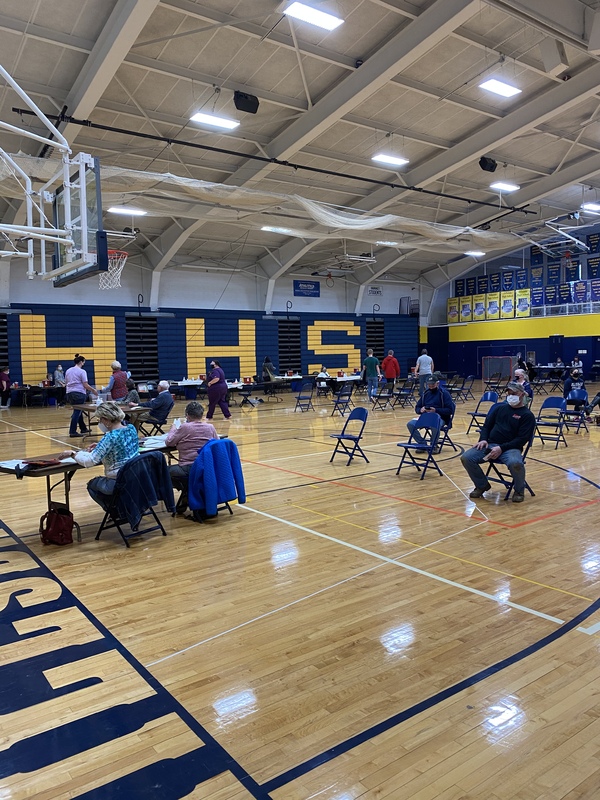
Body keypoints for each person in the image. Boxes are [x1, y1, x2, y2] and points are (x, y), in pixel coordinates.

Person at [460, 382, 536, 503]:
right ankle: (482, 485)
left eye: (514, 393)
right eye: (509, 393)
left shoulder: (527, 416)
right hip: (489, 444)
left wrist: (501, 448)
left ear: (521, 394)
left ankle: (519, 490)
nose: (510, 396)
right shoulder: (499, 408)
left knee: (516, 463)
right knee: (467, 458)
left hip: (511, 448)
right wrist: (483, 439)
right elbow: (486, 426)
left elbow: (521, 439)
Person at [58, 401, 139, 509]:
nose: (99, 422)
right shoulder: (131, 428)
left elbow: (89, 461)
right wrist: (101, 445)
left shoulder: (110, 437)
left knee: (92, 484)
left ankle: (116, 510)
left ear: (106, 420)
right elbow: (122, 445)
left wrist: (73, 454)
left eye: (100, 419)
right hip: (137, 476)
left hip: (119, 480)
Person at [165, 401, 218, 513]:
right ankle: (188, 493)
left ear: (187, 415)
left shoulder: (185, 427)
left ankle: (186, 491)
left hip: (188, 468)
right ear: (202, 414)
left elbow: (169, 442)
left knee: (161, 471)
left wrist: (173, 429)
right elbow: (216, 445)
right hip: (207, 467)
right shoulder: (210, 427)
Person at [407, 372, 454, 453]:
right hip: (426, 417)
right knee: (410, 424)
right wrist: (420, 410)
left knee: (434, 424)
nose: (431, 386)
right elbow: (417, 407)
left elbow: (450, 410)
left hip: (440, 417)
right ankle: (422, 444)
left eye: (433, 384)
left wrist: (436, 410)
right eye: (429, 385)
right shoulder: (426, 393)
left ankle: (434, 445)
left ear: (438, 383)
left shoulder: (444, 394)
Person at [65, 354, 98, 438]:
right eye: (83, 362)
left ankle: (83, 428)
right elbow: (85, 384)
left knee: (79, 410)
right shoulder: (82, 372)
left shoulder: (68, 370)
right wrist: (93, 390)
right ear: (81, 362)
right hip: (79, 393)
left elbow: (66, 382)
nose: (83, 364)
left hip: (69, 393)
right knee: (77, 412)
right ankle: (72, 431)